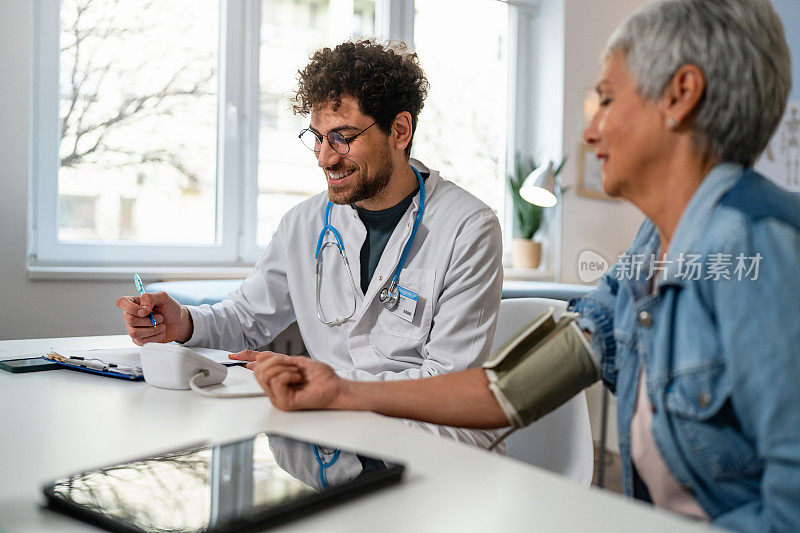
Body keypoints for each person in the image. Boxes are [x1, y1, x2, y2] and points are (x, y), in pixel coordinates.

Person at [250, 0, 800, 529]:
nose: (589, 132)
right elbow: (507, 389)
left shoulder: (757, 251)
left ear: (680, 94)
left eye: (605, 100)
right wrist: (341, 392)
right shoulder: (647, 256)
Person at [115, 40, 505, 448]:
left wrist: (334, 387)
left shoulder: (468, 227)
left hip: (429, 440)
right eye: (317, 137)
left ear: (400, 130)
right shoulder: (304, 223)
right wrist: (184, 323)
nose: (323, 158)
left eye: (342, 137)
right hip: (331, 434)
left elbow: (447, 386)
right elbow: (247, 317)